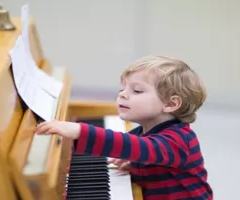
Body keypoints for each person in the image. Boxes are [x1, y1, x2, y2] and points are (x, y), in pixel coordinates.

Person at [35, 56, 213, 200]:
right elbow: (145, 152)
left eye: (136, 91)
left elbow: (139, 147)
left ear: (170, 104)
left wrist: (79, 131)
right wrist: (137, 165)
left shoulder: (179, 140)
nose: (122, 94)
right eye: (123, 88)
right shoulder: (148, 130)